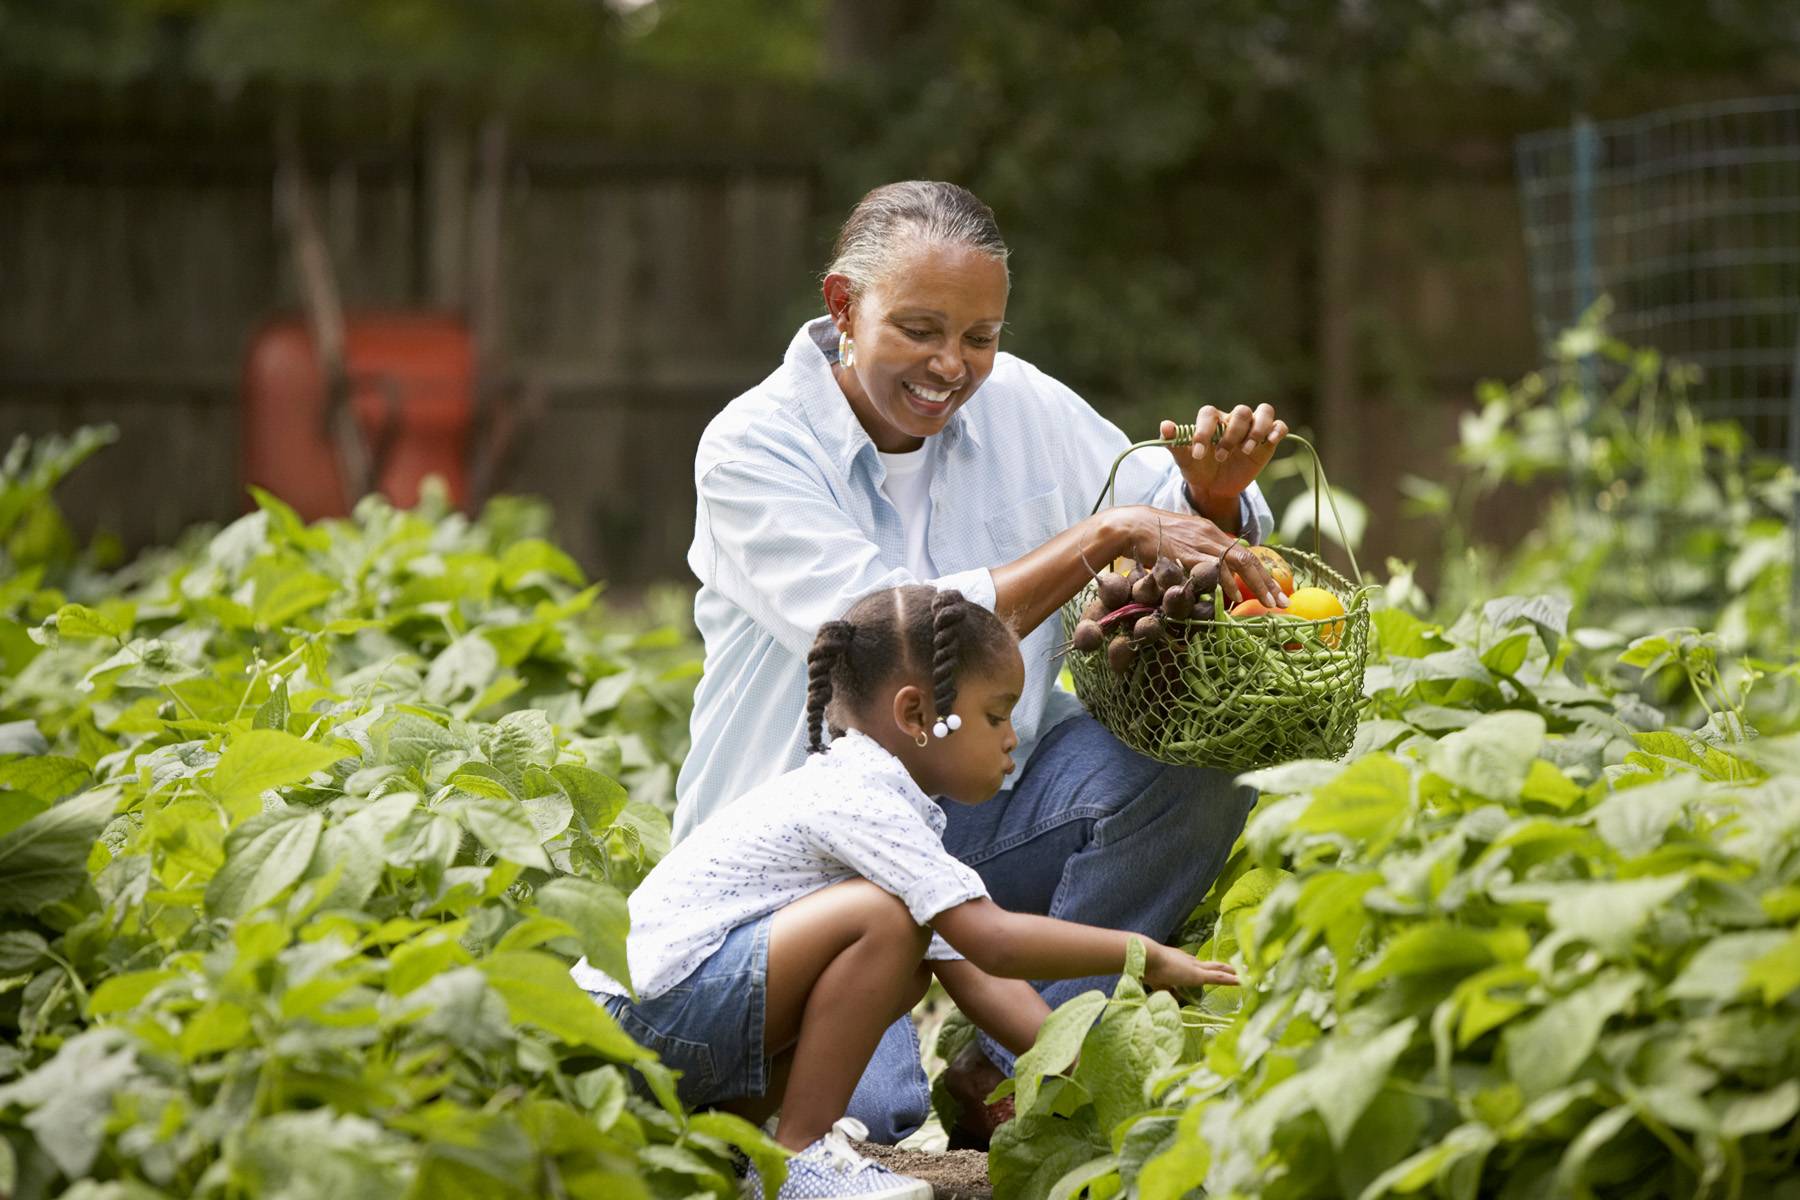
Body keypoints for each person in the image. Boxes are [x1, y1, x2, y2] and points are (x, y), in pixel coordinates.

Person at [677, 180, 1289, 1144]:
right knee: (865, 1119)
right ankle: (741, 1072)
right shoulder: (753, 447)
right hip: (806, 865)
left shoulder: (1024, 405)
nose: (952, 366)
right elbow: (884, 632)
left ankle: (1006, 1083)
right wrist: (1101, 538)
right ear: (844, 307)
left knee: (1194, 762)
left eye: (980, 336)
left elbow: (1157, 503)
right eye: (920, 329)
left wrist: (1208, 502)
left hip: (977, 809)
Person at [574, 585, 1238, 1200]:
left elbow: (987, 983)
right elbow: (997, 943)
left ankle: (732, 1151)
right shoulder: (860, 798)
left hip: (667, 1026)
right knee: (887, 923)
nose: (1012, 739)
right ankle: (799, 1156)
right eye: (994, 715)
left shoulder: (901, 815)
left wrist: (1115, 1096)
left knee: (906, 959)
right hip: (629, 1023)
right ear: (916, 714)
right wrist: (1143, 954)